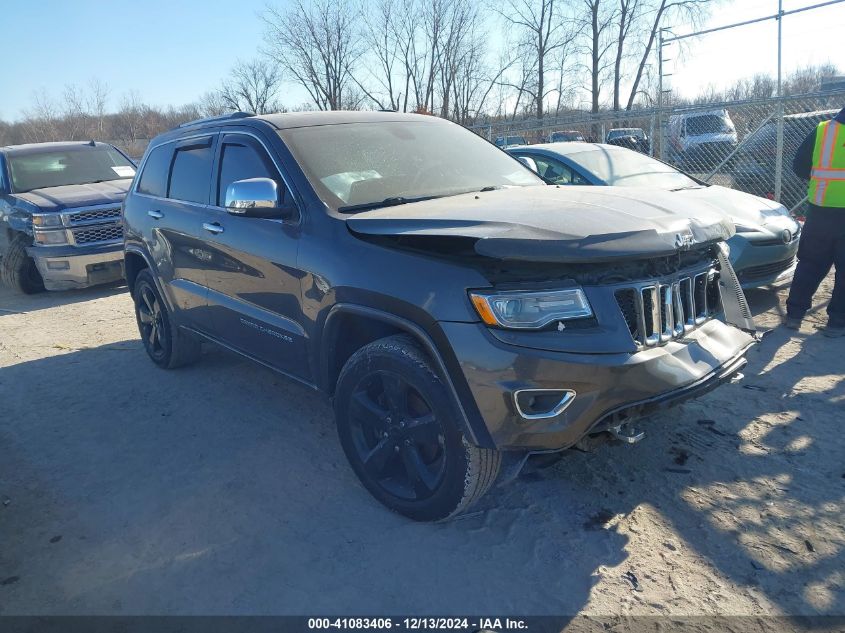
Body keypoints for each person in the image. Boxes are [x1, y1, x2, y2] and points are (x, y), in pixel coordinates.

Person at [784, 106, 845, 337]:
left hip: (821, 211)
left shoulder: (823, 131)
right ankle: (837, 323)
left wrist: (820, 180)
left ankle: (794, 316)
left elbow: (799, 165)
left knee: (810, 264)